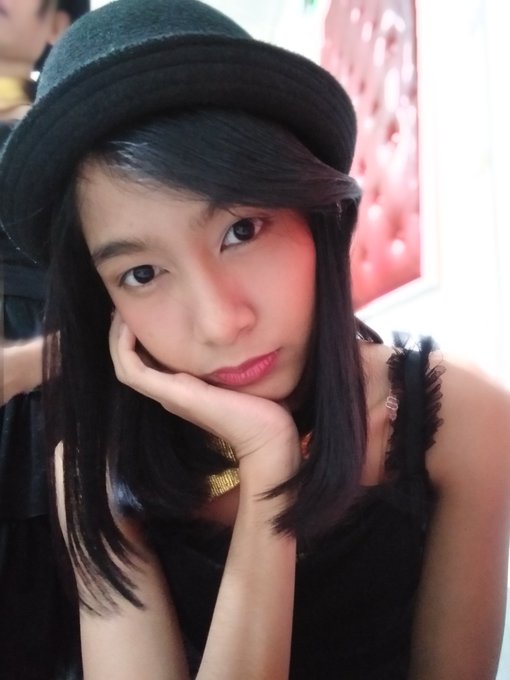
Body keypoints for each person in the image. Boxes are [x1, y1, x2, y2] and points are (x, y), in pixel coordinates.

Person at [1, 0, 510, 678]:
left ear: (314, 212)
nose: (220, 322)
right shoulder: (95, 463)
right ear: (106, 302)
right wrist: (269, 467)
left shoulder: (459, 417)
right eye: (142, 274)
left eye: (241, 231)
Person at [0, 2, 89, 679]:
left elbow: (126, 287)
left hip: (36, 401)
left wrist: (23, 367)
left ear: (58, 25)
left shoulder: (69, 136)